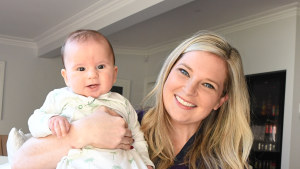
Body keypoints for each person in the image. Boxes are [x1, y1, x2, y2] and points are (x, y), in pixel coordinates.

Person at [12, 31, 253, 169]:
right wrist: (82, 133)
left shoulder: (223, 163)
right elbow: (21, 164)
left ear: (220, 100)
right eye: (184, 72)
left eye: (208, 85)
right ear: (167, 72)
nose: (189, 90)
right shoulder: (126, 121)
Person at [12, 29, 154, 169]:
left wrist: (146, 162)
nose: (92, 74)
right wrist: (50, 121)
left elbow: (137, 136)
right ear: (66, 77)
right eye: (81, 69)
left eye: (100, 66)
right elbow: (35, 121)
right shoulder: (59, 97)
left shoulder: (122, 103)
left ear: (114, 73)